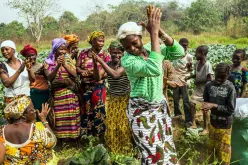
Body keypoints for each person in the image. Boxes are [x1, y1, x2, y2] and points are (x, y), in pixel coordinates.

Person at [117, 5, 184, 164]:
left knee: (166, 149)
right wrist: (153, 34)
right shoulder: (128, 60)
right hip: (143, 113)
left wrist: (159, 31)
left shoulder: (151, 48)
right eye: (127, 47)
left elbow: (178, 52)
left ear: (140, 36)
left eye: (134, 43)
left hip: (159, 108)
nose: (132, 49)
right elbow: (154, 68)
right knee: (152, 155)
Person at [92, 40, 133, 155]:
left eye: (119, 52)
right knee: (112, 125)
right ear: (109, 52)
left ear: (123, 53)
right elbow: (97, 77)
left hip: (125, 99)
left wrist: (100, 61)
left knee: (124, 125)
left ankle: (126, 149)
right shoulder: (108, 64)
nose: (116, 55)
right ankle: (114, 149)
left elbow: (115, 75)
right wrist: (96, 64)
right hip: (113, 100)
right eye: (114, 52)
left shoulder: (125, 64)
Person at [0, 95, 58, 165]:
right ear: (23, 115)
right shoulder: (37, 129)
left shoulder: (1, 131)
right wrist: (44, 120)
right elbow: (53, 142)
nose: (35, 112)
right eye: (32, 110)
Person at [44, 38, 81, 142]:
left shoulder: (68, 59)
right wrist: (57, 67)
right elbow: (50, 78)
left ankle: (73, 138)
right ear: (55, 49)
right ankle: (62, 140)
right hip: (57, 94)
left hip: (69, 92)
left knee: (71, 115)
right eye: (61, 49)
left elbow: (74, 74)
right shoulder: (48, 62)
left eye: (65, 49)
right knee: (60, 117)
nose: (63, 52)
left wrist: (64, 64)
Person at [76, 31, 110, 142]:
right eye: (99, 40)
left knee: (99, 111)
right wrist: (82, 72)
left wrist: (90, 73)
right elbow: (77, 67)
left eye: (103, 41)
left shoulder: (105, 55)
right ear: (92, 41)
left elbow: (104, 72)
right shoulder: (83, 53)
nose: (102, 43)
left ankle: (99, 137)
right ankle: (87, 137)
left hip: (98, 88)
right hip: (85, 87)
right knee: (86, 111)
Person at [202, 63, 236, 165]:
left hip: (225, 125)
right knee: (212, 149)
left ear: (227, 77)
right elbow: (206, 100)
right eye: (217, 76)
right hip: (213, 123)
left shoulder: (230, 88)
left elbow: (231, 109)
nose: (219, 79)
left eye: (223, 78)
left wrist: (214, 105)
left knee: (224, 153)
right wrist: (205, 107)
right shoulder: (209, 85)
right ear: (214, 73)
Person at [187, 45, 213, 132]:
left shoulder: (207, 65)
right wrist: (189, 77)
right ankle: (193, 122)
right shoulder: (197, 63)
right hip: (197, 90)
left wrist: (198, 81)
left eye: (196, 53)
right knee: (191, 104)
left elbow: (210, 78)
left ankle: (206, 128)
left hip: (205, 91)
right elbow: (197, 74)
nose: (195, 55)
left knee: (205, 109)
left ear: (202, 53)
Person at [0, 40, 32, 105]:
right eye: (2, 50)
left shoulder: (23, 62)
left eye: (6, 49)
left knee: (31, 114)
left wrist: (29, 71)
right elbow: (6, 83)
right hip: (11, 100)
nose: (4, 52)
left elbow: (32, 79)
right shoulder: (2, 66)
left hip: (26, 97)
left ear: (13, 50)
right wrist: (19, 71)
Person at [20, 45, 49, 113]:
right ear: (25, 58)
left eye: (32, 55)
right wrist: (29, 70)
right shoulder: (25, 68)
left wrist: (44, 71)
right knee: (36, 112)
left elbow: (49, 78)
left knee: (45, 112)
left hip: (45, 92)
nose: (31, 57)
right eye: (28, 56)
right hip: (34, 93)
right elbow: (31, 80)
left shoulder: (42, 65)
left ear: (36, 55)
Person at [172, 38, 193, 127]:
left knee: (186, 101)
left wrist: (189, 67)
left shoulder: (189, 57)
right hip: (176, 80)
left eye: (185, 45)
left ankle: (188, 119)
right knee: (176, 100)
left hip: (185, 80)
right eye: (182, 45)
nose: (184, 47)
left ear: (187, 46)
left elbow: (190, 70)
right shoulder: (174, 56)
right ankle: (178, 116)